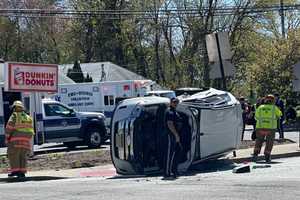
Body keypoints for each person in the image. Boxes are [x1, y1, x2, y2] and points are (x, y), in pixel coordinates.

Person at [5, 101, 35, 178]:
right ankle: (22, 172)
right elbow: (31, 129)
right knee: (23, 156)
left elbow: (9, 127)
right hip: (26, 140)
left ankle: (15, 171)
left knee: (14, 155)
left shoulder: (15, 115)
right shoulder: (28, 117)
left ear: (15, 108)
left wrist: (7, 138)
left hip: (15, 140)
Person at [252, 95, 282, 163]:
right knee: (269, 142)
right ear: (273, 101)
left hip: (260, 128)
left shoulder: (260, 107)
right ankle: (267, 156)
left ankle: (255, 154)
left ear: (265, 100)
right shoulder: (275, 108)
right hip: (270, 128)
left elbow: (256, 117)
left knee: (259, 141)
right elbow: (279, 115)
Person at [163, 97, 182, 180]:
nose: (175, 103)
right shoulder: (170, 111)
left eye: (176, 102)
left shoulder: (174, 111)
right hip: (171, 136)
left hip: (175, 136)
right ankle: (167, 173)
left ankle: (174, 171)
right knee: (169, 155)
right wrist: (176, 135)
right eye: (174, 102)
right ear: (170, 102)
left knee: (178, 152)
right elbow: (170, 124)